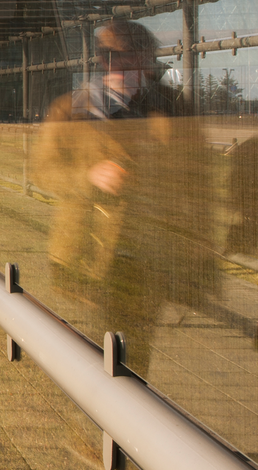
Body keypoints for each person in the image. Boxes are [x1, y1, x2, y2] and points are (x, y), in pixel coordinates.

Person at [37, 19, 214, 379]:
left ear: (148, 61)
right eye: (114, 59)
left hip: (147, 255)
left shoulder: (174, 108)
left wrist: (199, 254)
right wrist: (88, 176)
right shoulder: (71, 108)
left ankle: (119, 433)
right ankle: (94, 429)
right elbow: (43, 170)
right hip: (86, 251)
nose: (124, 68)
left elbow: (199, 180)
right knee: (89, 350)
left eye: (135, 59)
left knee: (134, 354)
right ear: (102, 62)